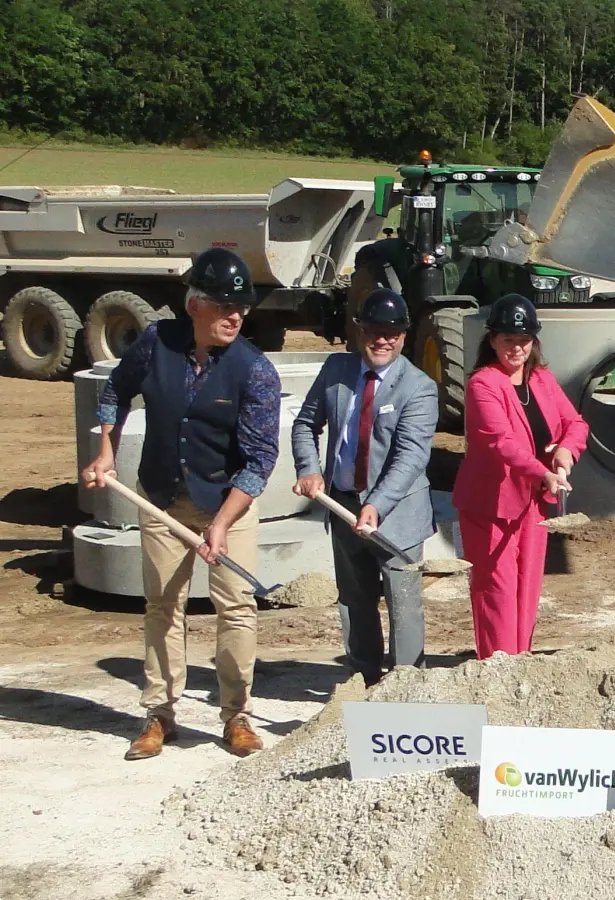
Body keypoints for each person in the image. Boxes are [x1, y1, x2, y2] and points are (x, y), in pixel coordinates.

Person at [81, 248, 280, 760]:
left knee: (236, 607)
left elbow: (260, 460)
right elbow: (115, 391)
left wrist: (222, 523)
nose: (235, 316)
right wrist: (106, 449)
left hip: (229, 503)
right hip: (162, 499)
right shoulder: (155, 343)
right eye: (224, 306)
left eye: (242, 308)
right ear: (195, 305)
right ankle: (160, 714)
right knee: (164, 606)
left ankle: (236, 715)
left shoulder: (255, 370)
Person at [291, 289, 438, 687]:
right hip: (342, 505)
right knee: (355, 600)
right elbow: (305, 424)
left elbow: (410, 457)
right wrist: (309, 469)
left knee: (403, 605)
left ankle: (406, 686)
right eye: (374, 331)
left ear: (404, 336)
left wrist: (376, 505)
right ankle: (364, 682)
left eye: (392, 333)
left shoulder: (419, 387)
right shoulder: (336, 370)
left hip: (397, 516)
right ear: (359, 332)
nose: (382, 340)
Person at [452, 293, 588, 658]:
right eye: (508, 339)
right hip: (491, 505)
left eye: (524, 340)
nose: (516, 348)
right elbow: (500, 442)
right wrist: (543, 472)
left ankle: (520, 660)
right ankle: (498, 664)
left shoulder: (541, 379)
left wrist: (566, 451)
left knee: (527, 588)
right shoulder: (483, 383)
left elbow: (575, 423)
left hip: (532, 502)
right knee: (497, 590)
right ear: (493, 340)